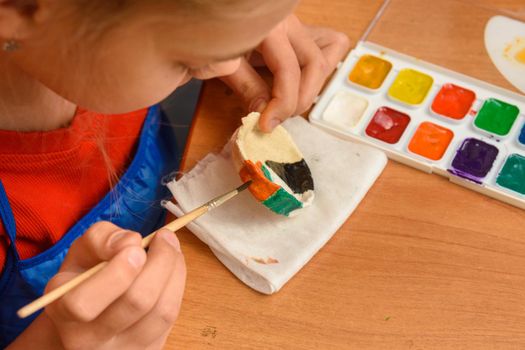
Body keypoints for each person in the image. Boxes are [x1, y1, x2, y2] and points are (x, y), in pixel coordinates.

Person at [0, 0, 349, 348]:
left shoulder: (80, 53)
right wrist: (53, 343)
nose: (227, 64)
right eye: (188, 61)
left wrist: (241, 23)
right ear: (19, 10)